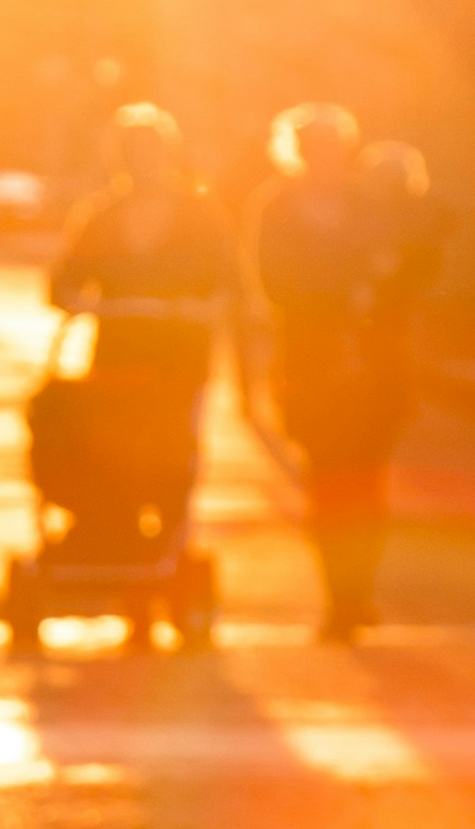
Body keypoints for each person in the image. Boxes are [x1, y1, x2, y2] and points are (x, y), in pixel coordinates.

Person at [248, 105, 435, 638]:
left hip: (375, 365)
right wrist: (338, 292)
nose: (324, 159)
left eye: (333, 149)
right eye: (314, 149)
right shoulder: (276, 207)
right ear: (298, 153)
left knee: (369, 483)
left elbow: (406, 260)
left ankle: (359, 593)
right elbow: (272, 281)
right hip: (310, 364)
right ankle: (337, 596)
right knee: (326, 481)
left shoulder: (368, 204)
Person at [47, 105, 234, 546]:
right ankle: (118, 532)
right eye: (133, 153)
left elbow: (229, 281)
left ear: (168, 155)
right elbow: (65, 278)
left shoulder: (198, 214)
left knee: (173, 446)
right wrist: (74, 301)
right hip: (120, 352)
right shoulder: (102, 215)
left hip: (180, 353)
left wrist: (206, 307)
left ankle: (171, 535)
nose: (143, 162)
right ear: (120, 159)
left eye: (151, 152)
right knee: (115, 447)